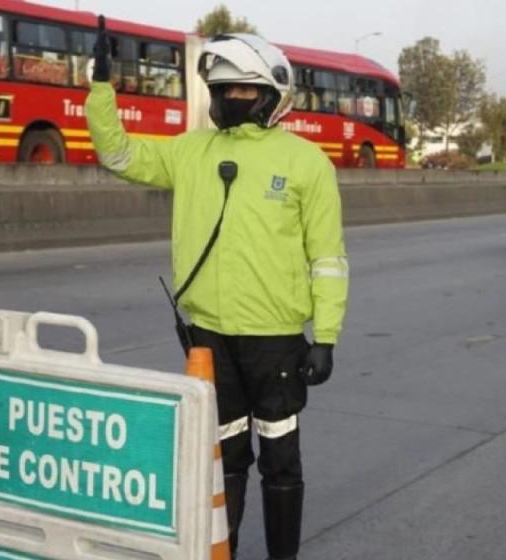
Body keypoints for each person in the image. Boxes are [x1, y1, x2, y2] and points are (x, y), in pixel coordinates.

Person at [86, 19, 349, 560]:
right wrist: (100, 91)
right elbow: (117, 156)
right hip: (207, 340)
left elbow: (327, 257)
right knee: (224, 459)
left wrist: (325, 336)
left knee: (279, 459)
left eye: (244, 89)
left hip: (275, 339)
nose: (232, 98)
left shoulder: (306, 162)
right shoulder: (190, 152)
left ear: (274, 94)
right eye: (223, 89)